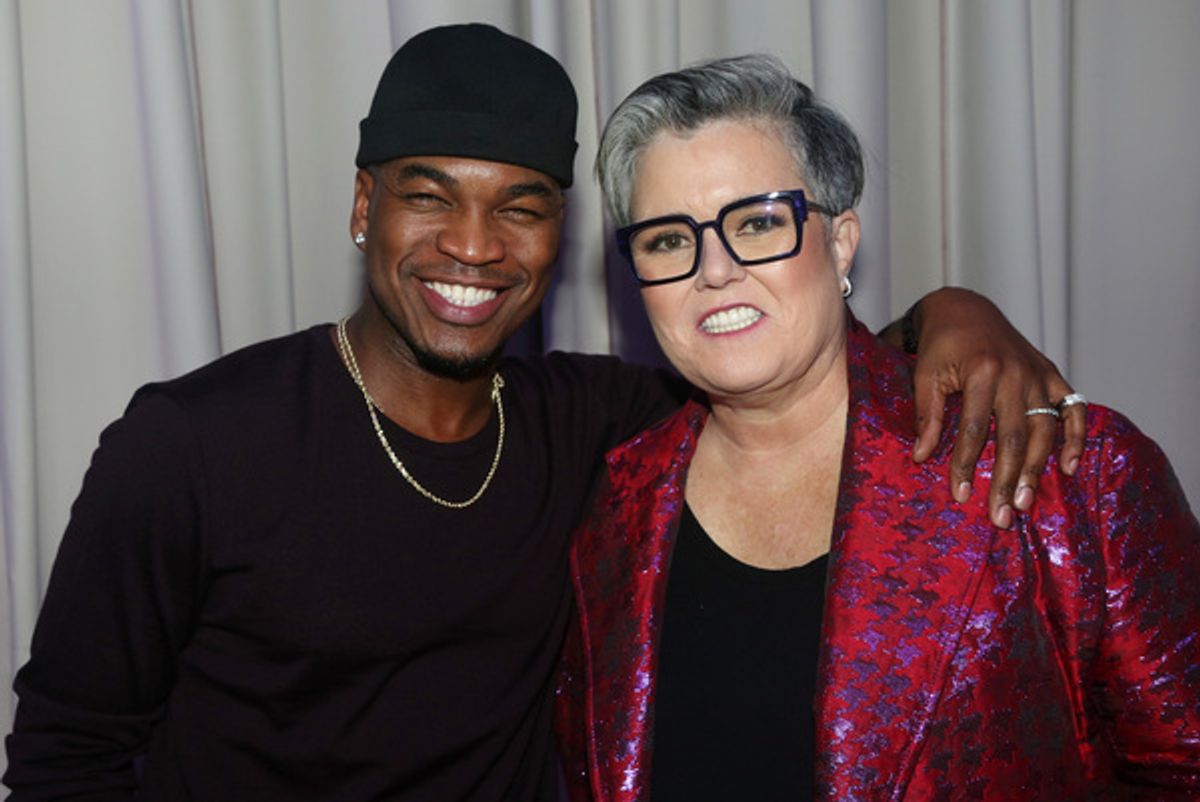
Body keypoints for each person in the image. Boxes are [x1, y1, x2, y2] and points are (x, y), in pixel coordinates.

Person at [5, 25, 1080, 801]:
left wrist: (956, 311)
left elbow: (779, 345)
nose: (473, 247)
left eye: (519, 208)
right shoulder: (190, 444)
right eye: (429, 195)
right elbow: (66, 755)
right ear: (362, 205)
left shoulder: (600, 426)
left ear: (559, 238)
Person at [557, 55, 1200, 801]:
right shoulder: (613, 508)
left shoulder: (1062, 468)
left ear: (839, 242)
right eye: (668, 239)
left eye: (759, 222)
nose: (715, 269)